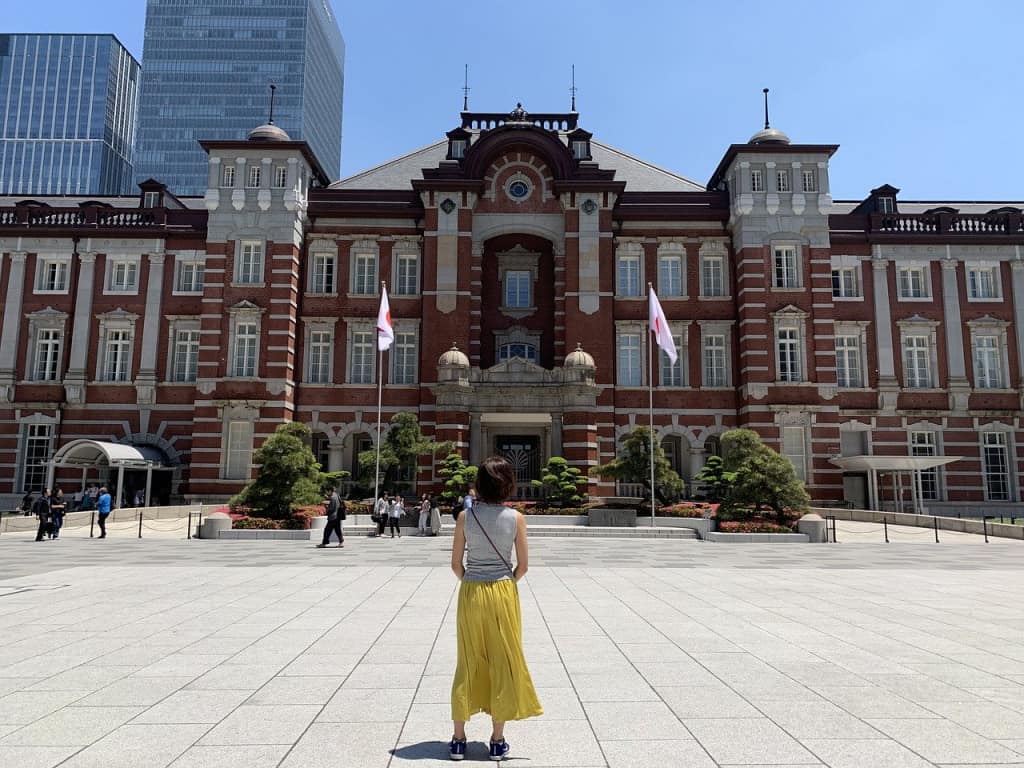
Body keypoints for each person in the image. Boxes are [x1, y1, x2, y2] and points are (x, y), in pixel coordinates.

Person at [448, 456, 542, 761]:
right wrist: (504, 581)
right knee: (503, 660)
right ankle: (497, 740)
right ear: (508, 484)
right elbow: (523, 567)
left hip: (471, 591)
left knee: (468, 659)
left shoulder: (466, 517)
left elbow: (454, 565)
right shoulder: (516, 519)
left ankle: (459, 739)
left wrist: (473, 578)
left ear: (479, 484)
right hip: (503, 591)